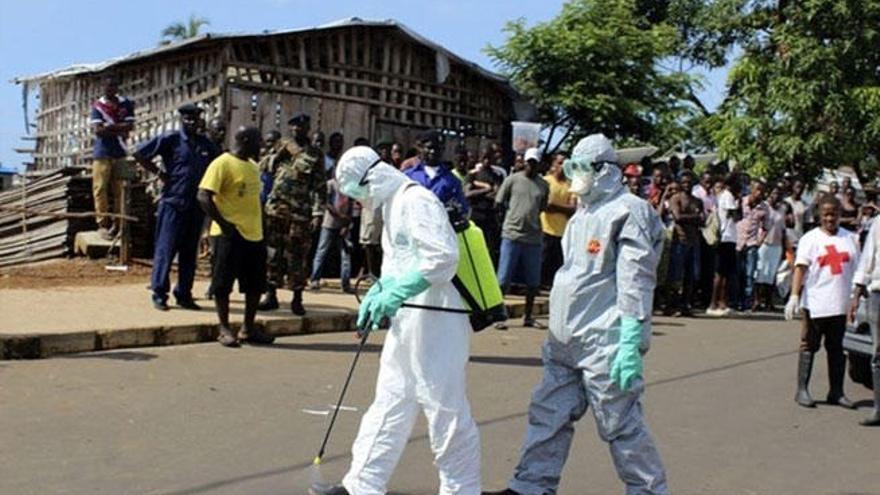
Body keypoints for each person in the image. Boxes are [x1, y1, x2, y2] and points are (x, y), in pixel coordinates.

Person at [484, 134, 667, 495]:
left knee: (620, 423)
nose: (573, 176)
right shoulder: (584, 212)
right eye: (571, 168)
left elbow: (636, 280)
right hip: (565, 340)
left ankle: (647, 490)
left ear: (603, 170)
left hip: (606, 341)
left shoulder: (628, 211)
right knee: (548, 414)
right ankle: (530, 486)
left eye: (580, 168)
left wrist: (630, 339)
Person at [311, 146, 481, 495]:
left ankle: (461, 489)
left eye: (359, 193)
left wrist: (397, 290)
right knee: (390, 401)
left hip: (438, 319)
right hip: (410, 318)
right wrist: (380, 292)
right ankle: (362, 485)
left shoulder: (416, 200)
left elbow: (442, 258)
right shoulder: (391, 205)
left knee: (443, 409)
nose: (359, 202)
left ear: (372, 177)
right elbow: (399, 265)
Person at [133, 103, 220, 310]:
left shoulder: (206, 145)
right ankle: (159, 293)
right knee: (166, 249)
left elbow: (220, 164)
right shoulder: (170, 139)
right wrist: (160, 174)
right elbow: (140, 154)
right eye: (187, 118)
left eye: (195, 118)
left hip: (196, 206)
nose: (191, 122)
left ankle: (184, 294)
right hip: (173, 203)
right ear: (181, 119)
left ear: (200, 120)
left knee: (189, 253)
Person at [197, 127, 275, 347]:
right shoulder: (222, 163)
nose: (261, 145)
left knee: (255, 285)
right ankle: (224, 329)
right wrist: (223, 223)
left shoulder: (252, 166)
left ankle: (248, 329)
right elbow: (203, 196)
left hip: (254, 234)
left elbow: (256, 200)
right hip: (229, 235)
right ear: (245, 140)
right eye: (258, 141)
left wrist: (264, 229)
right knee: (223, 283)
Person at [785, 195, 857, 410]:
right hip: (815, 303)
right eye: (825, 214)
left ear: (839, 215)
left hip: (840, 303)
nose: (829, 218)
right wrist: (794, 296)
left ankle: (836, 391)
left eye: (833, 214)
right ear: (819, 215)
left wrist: (855, 298)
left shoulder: (850, 239)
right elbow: (800, 267)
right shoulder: (810, 238)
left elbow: (857, 269)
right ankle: (802, 390)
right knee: (809, 345)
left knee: (837, 349)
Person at [259, 113, 326, 315]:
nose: (297, 129)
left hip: (300, 212)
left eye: (301, 126)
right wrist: (276, 156)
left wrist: (317, 213)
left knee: (298, 255)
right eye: (294, 126)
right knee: (272, 253)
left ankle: (297, 298)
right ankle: (271, 295)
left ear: (307, 128)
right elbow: (263, 167)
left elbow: (320, 186)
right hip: (276, 209)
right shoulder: (281, 145)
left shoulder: (315, 154)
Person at [495, 147, 549, 328]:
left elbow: (542, 206)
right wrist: (505, 222)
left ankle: (528, 316)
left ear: (539, 164)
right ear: (524, 161)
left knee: (533, 282)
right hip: (511, 234)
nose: (531, 166)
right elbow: (499, 202)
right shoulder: (512, 180)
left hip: (533, 237)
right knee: (503, 279)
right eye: (529, 162)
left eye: (535, 163)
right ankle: (499, 316)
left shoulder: (543, 185)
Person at [89, 75, 135, 240]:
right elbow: (98, 131)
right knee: (100, 188)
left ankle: (119, 224)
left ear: (117, 87)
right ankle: (102, 223)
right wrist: (119, 128)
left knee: (120, 189)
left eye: (113, 86)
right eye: (108, 87)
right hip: (102, 153)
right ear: (103, 88)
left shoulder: (126, 104)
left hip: (121, 152)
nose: (110, 89)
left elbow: (130, 126)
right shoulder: (98, 106)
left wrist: (109, 127)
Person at [850, 216, 880, 426]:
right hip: (878, 294)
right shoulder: (879, 223)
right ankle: (878, 409)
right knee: (878, 354)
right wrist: (856, 294)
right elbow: (867, 259)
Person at [405, 130, 470, 216]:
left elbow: (462, 209)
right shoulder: (408, 176)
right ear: (422, 148)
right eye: (429, 148)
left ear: (443, 150)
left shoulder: (453, 181)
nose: (433, 151)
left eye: (437, 148)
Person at [309, 168, 353, 293]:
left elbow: (350, 205)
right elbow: (327, 203)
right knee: (322, 251)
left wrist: (346, 222)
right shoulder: (330, 184)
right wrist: (340, 216)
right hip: (329, 223)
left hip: (344, 225)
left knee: (346, 254)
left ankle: (345, 283)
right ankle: (315, 279)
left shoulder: (349, 187)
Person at [667, 172, 704, 316]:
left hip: (693, 241)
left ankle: (685, 305)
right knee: (676, 275)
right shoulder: (676, 198)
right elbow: (678, 217)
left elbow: (703, 220)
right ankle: (672, 305)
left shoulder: (697, 201)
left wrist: (690, 218)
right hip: (680, 240)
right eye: (684, 182)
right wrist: (694, 217)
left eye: (689, 182)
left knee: (691, 275)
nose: (686, 185)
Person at [708, 173, 743, 316]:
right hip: (725, 237)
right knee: (720, 273)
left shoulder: (727, 196)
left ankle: (723, 303)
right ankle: (713, 304)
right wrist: (739, 204)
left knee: (726, 273)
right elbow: (736, 216)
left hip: (730, 238)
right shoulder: (727, 195)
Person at [540, 152, 576, 288]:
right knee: (542, 262)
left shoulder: (570, 185)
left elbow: (573, 209)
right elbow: (545, 205)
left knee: (556, 265)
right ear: (554, 164)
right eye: (560, 163)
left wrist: (554, 206)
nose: (562, 166)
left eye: (565, 164)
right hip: (545, 228)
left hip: (562, 232)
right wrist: (563, 208)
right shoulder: (545, 181)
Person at [754, 185, 791, 311]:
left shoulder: (782, 208)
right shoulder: (763, 206)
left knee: (771, 274)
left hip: (777, 244)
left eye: (778, 194)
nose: (776, 196)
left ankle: (769, 302)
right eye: (773, 193)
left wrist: (785, 246)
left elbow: (784, 228)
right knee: (760, 272)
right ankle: (757, 301)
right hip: (764, 243)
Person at [466, 150, 505, 264]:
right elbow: (467, 194)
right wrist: (487, 189)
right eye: (484, 158)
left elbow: (497, 195)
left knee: (490, 247)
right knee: (472, 244)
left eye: (489, 158)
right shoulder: (473, 175)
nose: (487, 160)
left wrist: (478, 191)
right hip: (475, 213)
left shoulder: (497, 176)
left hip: (490, 215)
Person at [738, 180, 769, 311]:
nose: (759, 193)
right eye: (757, 190)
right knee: (738, 273)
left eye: (762, 190)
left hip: (751, 243)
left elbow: (765, 227)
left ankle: (747, 302)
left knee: (750, 274)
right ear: (751, 189)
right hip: (738, 242)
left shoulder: (764, 207)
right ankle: (736, 300)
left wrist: (759, 241)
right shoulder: (741, 202)